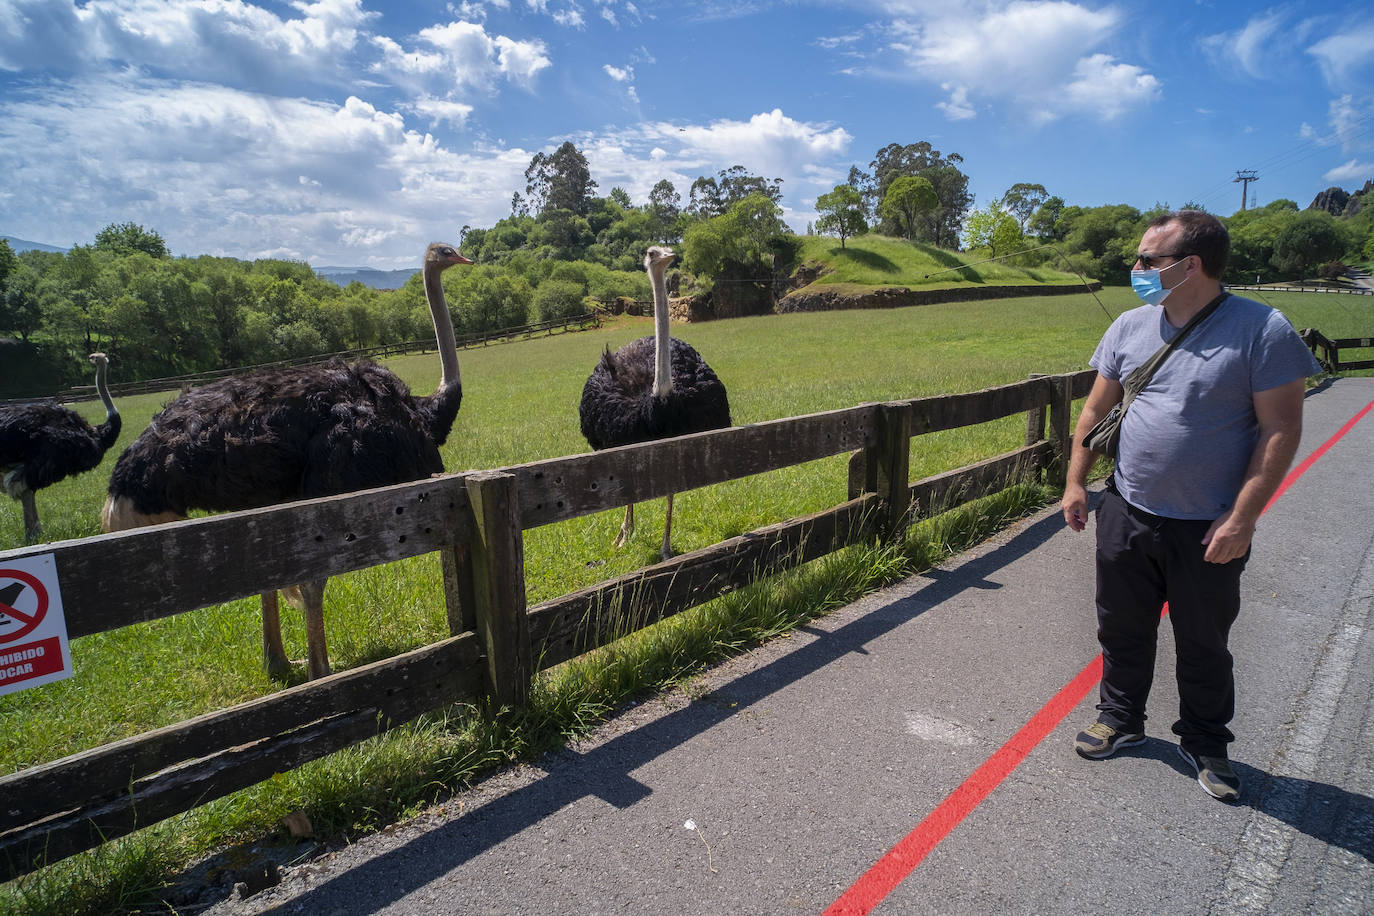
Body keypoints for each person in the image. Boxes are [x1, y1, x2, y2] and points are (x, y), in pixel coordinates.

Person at [1061, 209, 1320, 802]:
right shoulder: (1128, 326)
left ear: (1190, 266)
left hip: (1210, 523)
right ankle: (1121, 720)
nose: (1136, 269)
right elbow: (1095, 411)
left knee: (1203, 639)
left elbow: (1279, 430)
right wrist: (1077, 483)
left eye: (1148, 261)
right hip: (1126, 510)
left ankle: (1205, 742)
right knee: (1120, 626)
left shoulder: (1262, 330)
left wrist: (1243, 519)